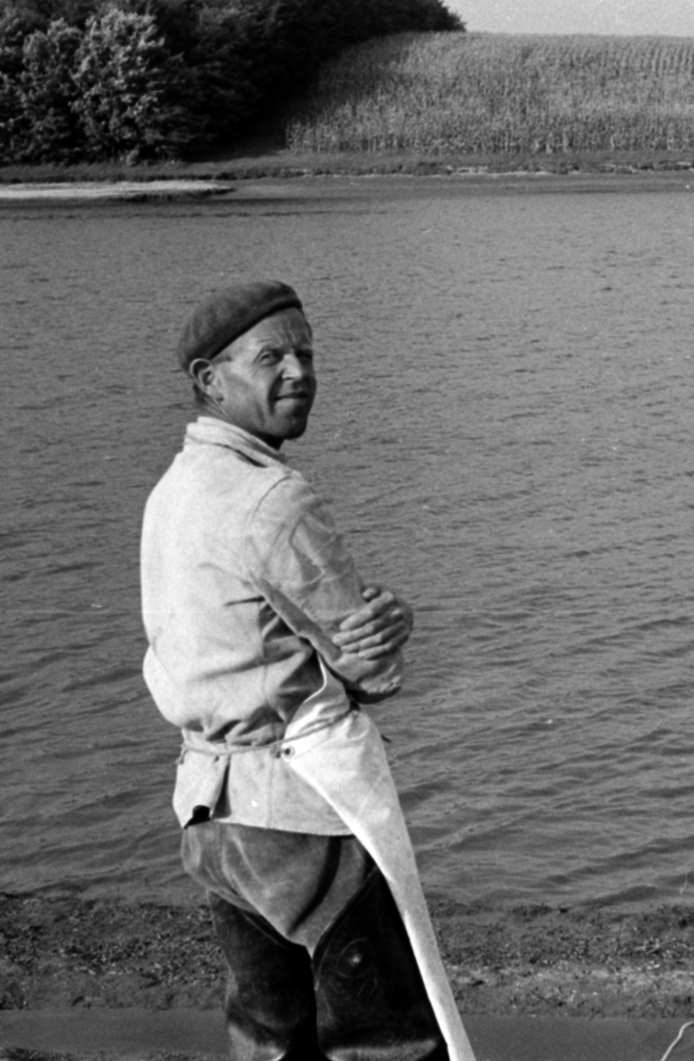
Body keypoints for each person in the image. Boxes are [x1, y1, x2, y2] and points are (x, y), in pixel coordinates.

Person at [140, 280, 462, 1060]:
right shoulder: (274, 498)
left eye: (306, 353)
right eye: (271, 356)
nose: (298, 370)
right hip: (296, 813)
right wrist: (395, 629)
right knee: (387, 1037)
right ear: (210, 381)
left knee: (268, 1033)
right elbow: (370, 666)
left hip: (209, 814)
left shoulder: (172, 491)